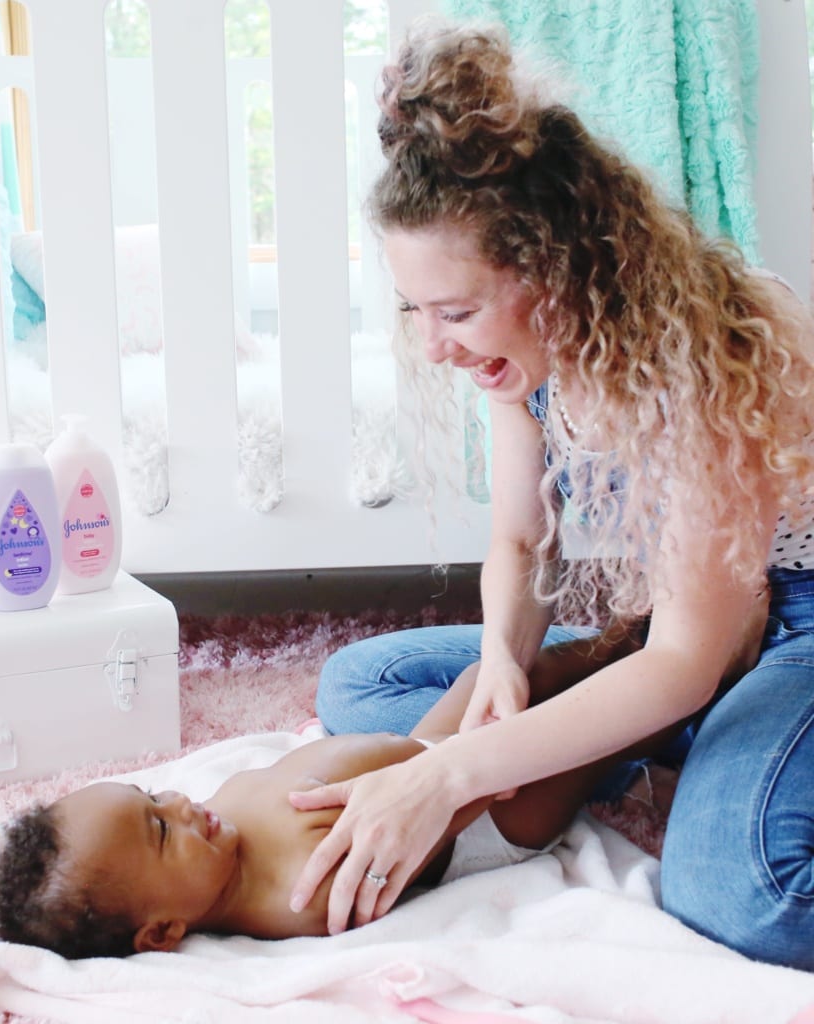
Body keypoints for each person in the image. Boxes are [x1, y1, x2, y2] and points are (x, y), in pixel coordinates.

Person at [288, 17, 814, 973]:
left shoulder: (713, 349)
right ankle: (695, 753)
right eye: (418, 312)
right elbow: (524, 547)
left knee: (746, 894)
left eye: (457, 311)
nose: (437, 345)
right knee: (361, 689)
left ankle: (717, 755)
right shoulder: (525, 360)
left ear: (554, 269)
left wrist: (450, 776)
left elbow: (689, 657)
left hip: (789, 627)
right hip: (689, 633)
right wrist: (500, 659)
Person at [0, 622, 684, 958]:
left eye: (152, 795)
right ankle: (678, 677)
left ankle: (652, 647)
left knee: (493, 681)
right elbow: (447, 805)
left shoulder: (216, 830)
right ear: (163, 930)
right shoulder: (306, 890)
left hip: (428, 753)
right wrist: (496, 753)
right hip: (489, 812)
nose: (177, 803)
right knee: (571, 713)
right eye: (160, 830)